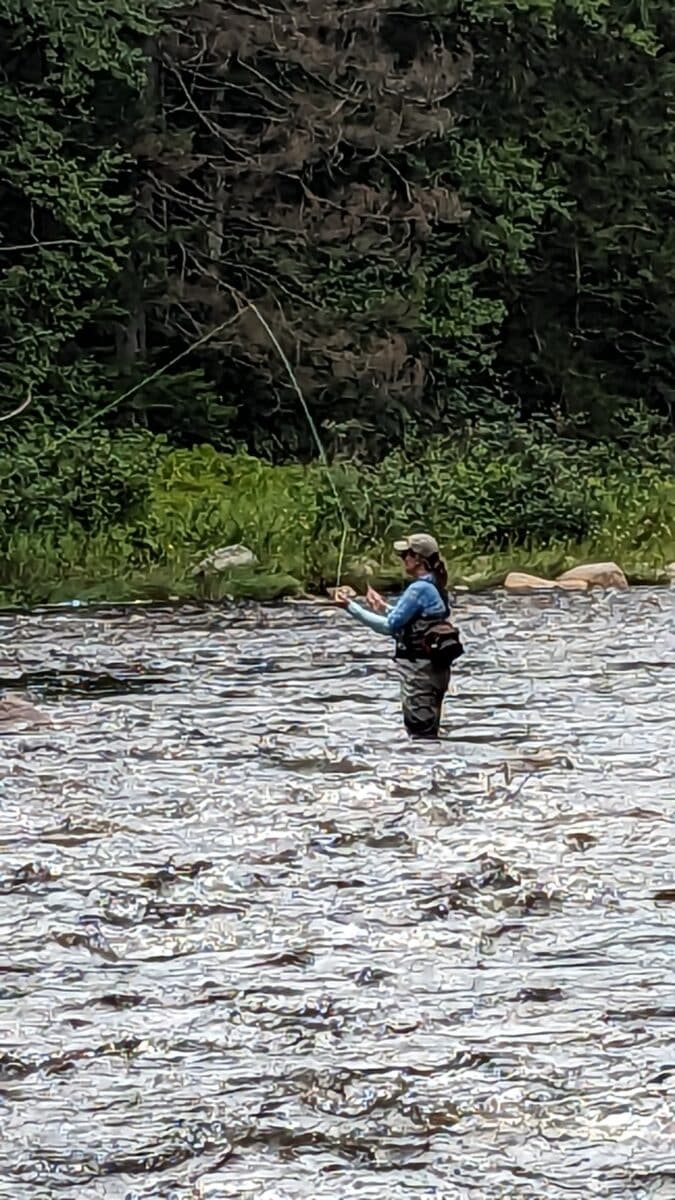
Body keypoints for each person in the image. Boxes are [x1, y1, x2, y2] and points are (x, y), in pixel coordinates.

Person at [334, 533, 456, 739]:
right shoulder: (434, 584)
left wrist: (349, 607)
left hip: (419, 671)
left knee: (419, 732)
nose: (402, 559)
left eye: (404, 555)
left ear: (418, 559)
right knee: (427, 730)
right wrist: (382, 607)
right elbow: (411, 620)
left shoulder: (418, 589)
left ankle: (422, 767)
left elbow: (389, 627)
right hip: (434, 670)